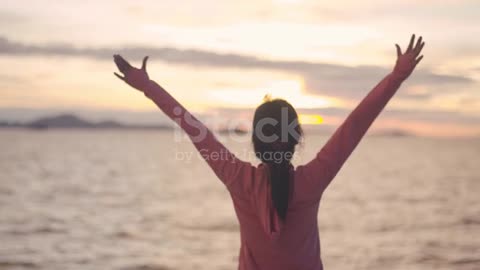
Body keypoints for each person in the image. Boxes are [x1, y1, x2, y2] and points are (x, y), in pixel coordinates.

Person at [113, 34, 425, 270]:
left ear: (256, 140)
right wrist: (396, 76)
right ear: (296, 138)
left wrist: (148, 87)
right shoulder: (312, 179)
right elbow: (355, 125)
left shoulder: (237, 177)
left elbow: (194, 129)